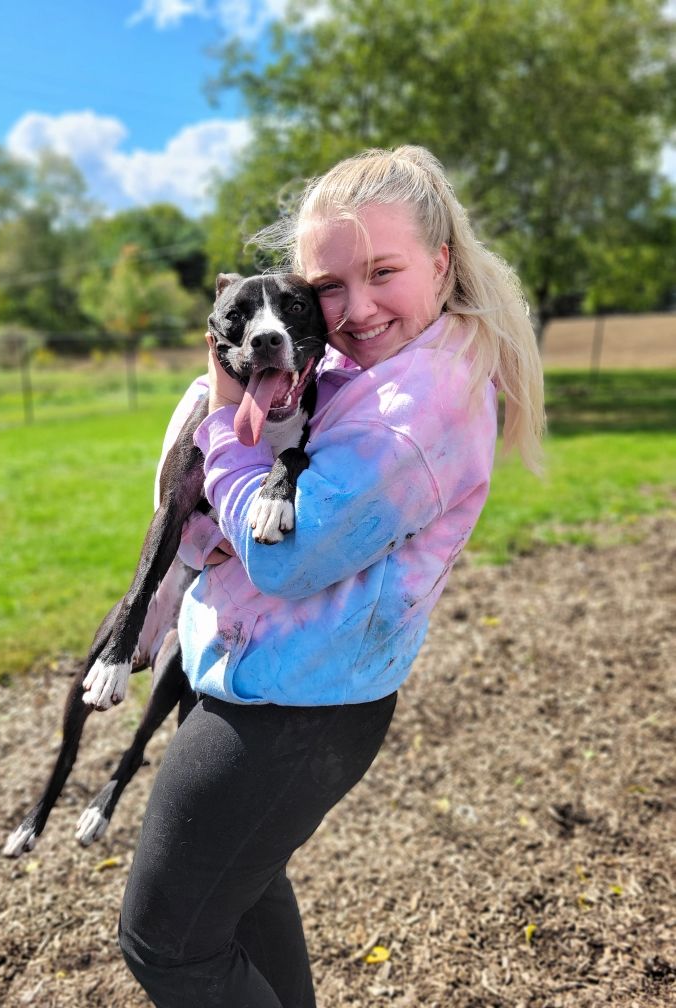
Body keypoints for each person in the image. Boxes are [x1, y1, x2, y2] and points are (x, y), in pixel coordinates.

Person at [117, 145, 545, 1007]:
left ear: (441, 261)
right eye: (330, 288)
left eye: (383, 271)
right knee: (240, 896)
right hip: (281, 679)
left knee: (165, 945)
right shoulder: (389, 361)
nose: (355, 310)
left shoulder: (412, 412)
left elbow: (285, 556)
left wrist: (217, 434)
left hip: (295, 709)